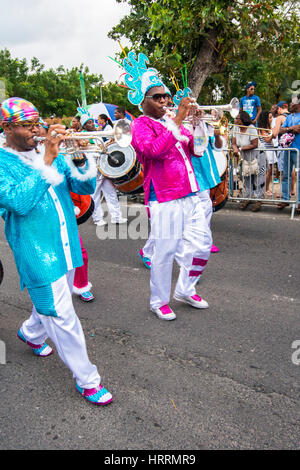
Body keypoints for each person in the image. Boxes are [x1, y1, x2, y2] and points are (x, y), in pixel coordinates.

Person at [0, 97, 113, 406]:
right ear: (7, 127)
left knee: (52, 300)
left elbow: (86, 189)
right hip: (35, 250)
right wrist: (47, 160)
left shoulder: (46, 151)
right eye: (27, 125)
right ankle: (88, 379)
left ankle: (31, 333)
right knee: (60, 313)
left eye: (38, 123)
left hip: (65, 242)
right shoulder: (1, 162)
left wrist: (77, 156)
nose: (36, 130)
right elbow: (18, 203)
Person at [126, 55, 212, 321]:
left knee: (203, 245)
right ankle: (158, 300)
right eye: (157, 97)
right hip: (164, 197)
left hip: (190, 194)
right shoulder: (140, 124)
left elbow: (197, 150)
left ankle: (185, 289)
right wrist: (178, 120)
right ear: (143, 101)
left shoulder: (171, 123)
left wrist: (197, 124)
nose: (164, 100)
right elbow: (152, 151)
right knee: (164, 252)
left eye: (165, 95)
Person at [79, 113, 127, 226]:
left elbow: (101, 147)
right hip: (93, 169)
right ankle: (97, 218)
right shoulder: (83, 137)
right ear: (84, 126)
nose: (92, 124)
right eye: (88, 123)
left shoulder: (97, 134)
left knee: (111, 192)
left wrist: (109, 143)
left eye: (92, 122)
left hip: (103, 168)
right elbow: (90, 153)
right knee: (95, 195)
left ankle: (116, 216)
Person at [232, 110, 262, 211]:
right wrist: (235, 148)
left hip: (257, 155)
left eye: (237, 118)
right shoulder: (235, 127)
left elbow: (255, 144)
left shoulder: (251, 128)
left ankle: (258, 200)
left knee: (258, 178)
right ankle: (248, 198)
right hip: (245, 156)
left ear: (243, 119)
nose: (235, 120)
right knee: (246, 177)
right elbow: (234, 142)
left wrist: (240, 149)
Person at [277, 97, 300, 210]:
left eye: (293, 102)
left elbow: (299, 129)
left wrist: (287, 128)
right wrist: (291, 128)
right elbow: (280, 130)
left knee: (299, 177)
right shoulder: (289, 117)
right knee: (285, 175)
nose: (290, 104)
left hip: (298, 150)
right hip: (287, 150)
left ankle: (299, 201)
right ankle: (285, 199)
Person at [257, 110, 277, 197]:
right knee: (267, 171)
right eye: (269, 117)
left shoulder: (268, 128)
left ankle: (267, 188)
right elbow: (267, 139)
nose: (271, 119)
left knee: (270, 171)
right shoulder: (262, 129)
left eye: (271, 117)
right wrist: (273, 133)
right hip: (266, 151)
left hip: (270, 150)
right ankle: (265, 189)